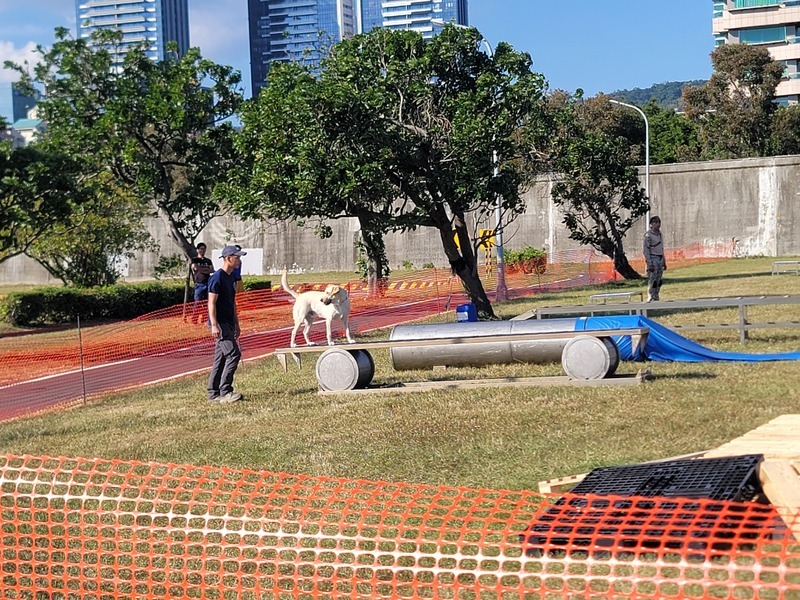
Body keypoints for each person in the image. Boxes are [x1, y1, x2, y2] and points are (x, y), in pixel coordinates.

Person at [207, 244, 247, 404]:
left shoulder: (231, 277)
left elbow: (233, 302)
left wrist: (236, 324)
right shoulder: (217, 277)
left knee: (221, 358)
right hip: (220, 323)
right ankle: (225, 391)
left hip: (229, 322)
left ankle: (213, 393)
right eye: (237, 257)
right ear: (228, 258)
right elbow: (211, 303)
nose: (239, 260)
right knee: (233, 354)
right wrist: (214, 325)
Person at [643, 215, 667, 302]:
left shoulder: (660, 234)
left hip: (660, 257)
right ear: (651, 224)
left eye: (658, 222)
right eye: (655, 222)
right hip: (653, 258)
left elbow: (661, 248)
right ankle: (650, 295)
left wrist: (664, 261)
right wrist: (649, 262)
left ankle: (656, 295)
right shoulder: (648, 235)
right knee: (652, 279)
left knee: (659, 279)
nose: (657, 224)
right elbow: (646, 250)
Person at [190, 242, 214, 324]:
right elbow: (195, 267)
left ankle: (205, 319)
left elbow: (211, 270)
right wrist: (204, 270)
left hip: (208, 283)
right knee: (197, 302)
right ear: (198, 250)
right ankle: (194, 319)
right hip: (199, 284)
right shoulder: (195, 260)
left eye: (204, 249)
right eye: (201, 249)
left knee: (208, 302)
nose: (203, 251)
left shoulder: (208, 261)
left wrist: (202, 269)